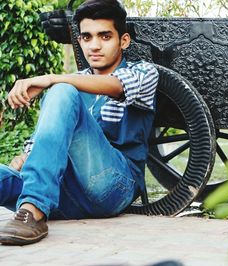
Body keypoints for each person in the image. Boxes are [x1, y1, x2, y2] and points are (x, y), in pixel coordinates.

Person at [0, 0, 158, 245]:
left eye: (105, 36)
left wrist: (50, 79)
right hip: (64, 194)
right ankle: (36, 201)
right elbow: (47, 140)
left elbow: (115, 86)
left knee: (63, 89)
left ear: (123, 41)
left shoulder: (144, 72)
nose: (94, 46)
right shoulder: (71, 83)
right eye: (86, 37)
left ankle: (32, 211)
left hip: (113, 188)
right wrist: (22, 159)